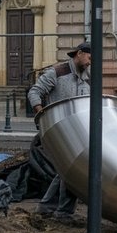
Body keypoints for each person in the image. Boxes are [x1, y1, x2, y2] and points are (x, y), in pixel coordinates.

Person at [27, 41, 92, 218]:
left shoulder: (88, 77)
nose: (89, 62)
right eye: (89, 57)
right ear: (79, 53)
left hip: (79, 131)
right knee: (72, 168)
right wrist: (41, 115)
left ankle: (47, 207)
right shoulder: (57, 72)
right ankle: (63, 211)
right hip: (60, 130)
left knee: (67, 169)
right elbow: (34, 92)